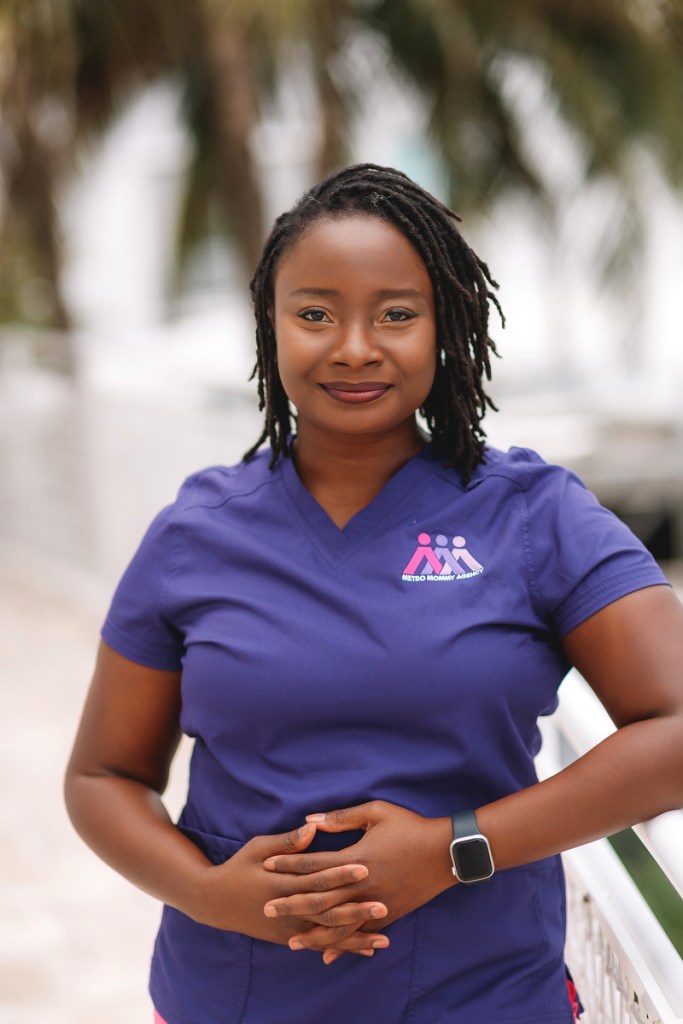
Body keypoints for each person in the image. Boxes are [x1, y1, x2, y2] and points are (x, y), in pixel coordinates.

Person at [64, 163, 683, 1024]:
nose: (354, 347)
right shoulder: (194, 533)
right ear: (270, 326)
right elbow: (102, 775)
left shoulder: (534, 515)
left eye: (395, 314)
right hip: (230, 999)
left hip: (481, 999)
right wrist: (209, 893)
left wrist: (455, 848)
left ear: (445, 327)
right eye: (315, 314)